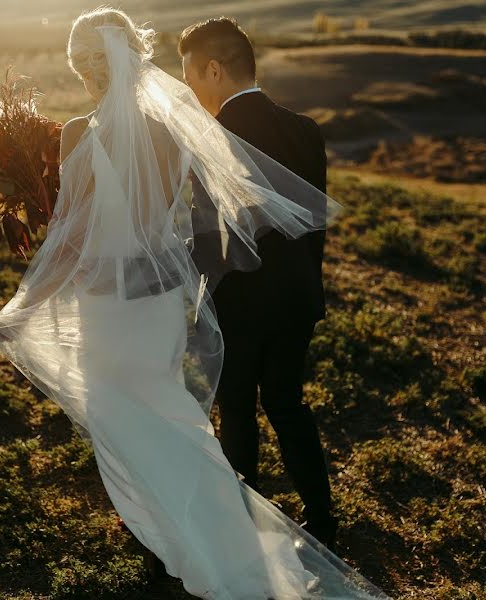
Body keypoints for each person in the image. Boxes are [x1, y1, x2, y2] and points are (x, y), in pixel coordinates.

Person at [0, 6, 389, 599]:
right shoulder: (177, 129)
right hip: (161, 304)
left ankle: (172, 542)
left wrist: (25, 301)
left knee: (129, 429)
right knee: (170, 420)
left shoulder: (79, 132)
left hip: (111, 305)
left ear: (81, 66)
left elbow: (72, 236)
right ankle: (201, 535)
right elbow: (194, 220)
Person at [178, 17, 340, 552]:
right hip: (297, 297)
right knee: (288, 402)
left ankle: (236, 526)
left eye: (192, 77)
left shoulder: (214, 137)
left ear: (215, 69)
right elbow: (313, 222)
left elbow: (207, 231)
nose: (193, 92)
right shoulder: (305, 129)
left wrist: (185, 281)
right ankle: (323, 518)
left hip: (242, 300)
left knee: (239, 407)